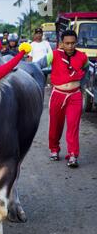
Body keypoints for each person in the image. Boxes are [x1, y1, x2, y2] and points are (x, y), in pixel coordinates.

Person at [37, 30, 89, 168]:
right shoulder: (53, 55)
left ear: (76, 43)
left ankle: (73, 155)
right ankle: (54, 149)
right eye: (67, 43)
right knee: (55, 125)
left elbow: (87, 70)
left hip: (75, 96)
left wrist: (80, 85)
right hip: (58, 94)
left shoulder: (83, 57)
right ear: (61, 43)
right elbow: (37, 65)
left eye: (73, 43)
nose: (70, 46)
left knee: (73, 126)